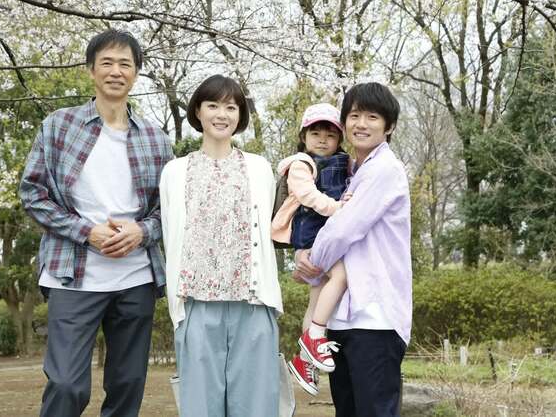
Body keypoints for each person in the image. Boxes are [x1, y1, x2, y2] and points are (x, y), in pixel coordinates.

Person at [19, 29, 173, 417]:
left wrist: (142, 232)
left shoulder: (156, 139)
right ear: (91, 70)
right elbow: (33, 194)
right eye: (106, 62)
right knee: (66, 385)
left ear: (136, 73)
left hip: (135, 277)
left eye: (125, 64)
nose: (115, 71)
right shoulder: (59, 126)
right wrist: (86, 232)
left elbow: (170, 209)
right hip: (72, 275)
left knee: (128, 385)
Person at [159, 74, 283, 417]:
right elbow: (170, 234)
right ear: (198, 111)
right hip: (196, 305)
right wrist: (177, 308)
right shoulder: (174, 172)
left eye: (231, 107)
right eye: (213, 105)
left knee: (257, 408)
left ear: (240, 115)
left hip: (252, 303)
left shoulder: (260, 168)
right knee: (200, 409)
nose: (222, 114)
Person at [294, 82, 411, 417]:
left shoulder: (384, 170)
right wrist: (301, 254)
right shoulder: (348, 171)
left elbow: (344, 228)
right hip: (342, 318)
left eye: (372, 117)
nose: (361, 124)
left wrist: (310, 261)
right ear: (344, 122)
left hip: (375, 317)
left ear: (389, 126)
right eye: (355, 116)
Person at [271, 102, 351, 396]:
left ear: (339, 139)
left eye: (330, 135)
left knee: (316, 299)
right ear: (303, 137)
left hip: (328, 233)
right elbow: (307, 195)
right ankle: (315, 336)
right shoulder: (301, 164)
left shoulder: (345, 162)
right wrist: (338, 208)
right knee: (340, 277)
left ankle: (304, 361)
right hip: (314, 234)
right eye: (315, 133)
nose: (322, 140)